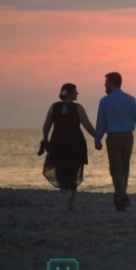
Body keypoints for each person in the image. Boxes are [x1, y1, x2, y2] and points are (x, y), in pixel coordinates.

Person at [94, 72, 136, 212]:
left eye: (106, 82)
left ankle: (122, 196)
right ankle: (120, 199)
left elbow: (100, 122)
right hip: (127, 137)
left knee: (115, 168)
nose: (105, 85)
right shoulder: (130, 99)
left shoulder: (105, 101)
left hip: (113, 137)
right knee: (124, 168)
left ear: (112, 83)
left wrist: (97, 139)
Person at [40, 83, 96, 211]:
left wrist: (45, 140)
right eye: (76, 91)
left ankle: (67, 198)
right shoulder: (78, 108)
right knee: (73, 173)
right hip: (75, 144)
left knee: (61, 173)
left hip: (58, 143)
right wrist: (97, 137)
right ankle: (72, 201)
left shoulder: (54, 107)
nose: (77, 93)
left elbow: (46, 126)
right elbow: (87, 126)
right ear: (70, 93)